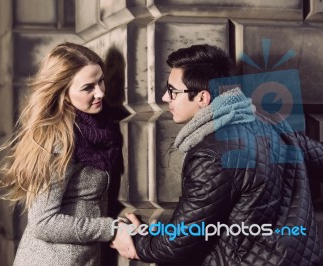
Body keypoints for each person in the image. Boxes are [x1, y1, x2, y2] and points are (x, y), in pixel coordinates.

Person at [120, 44, 323, 265]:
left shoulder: (211, 154)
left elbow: (179, 240)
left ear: (202, 98)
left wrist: (138, 242)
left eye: (172, 91)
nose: (165, 97)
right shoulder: (271, 121)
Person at [0, 42, 136, 265]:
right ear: (64, 94)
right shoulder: (60, 141)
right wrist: (112, 228)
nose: (100, 93)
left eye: (101, 81)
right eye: (88, 87)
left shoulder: (99, 127)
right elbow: (43, 222)